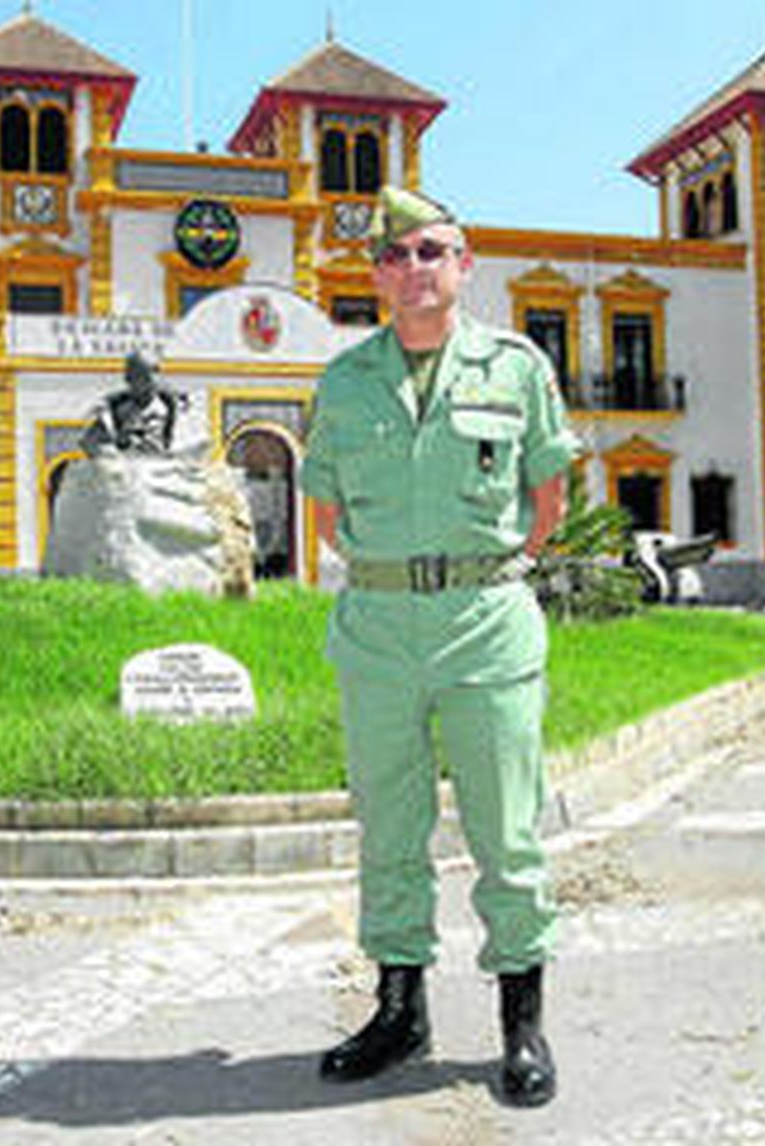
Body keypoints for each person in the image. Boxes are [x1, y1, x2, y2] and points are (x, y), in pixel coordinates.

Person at [299, 185, 575, 1107]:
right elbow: (328, 513)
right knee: (388, 828)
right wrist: (396, 573)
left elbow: (547, 503)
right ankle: (399, 1010)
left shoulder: (519, 368)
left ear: (463, 264)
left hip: (486, 625)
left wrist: (476, 574)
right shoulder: (342, 382)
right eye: (396, 254)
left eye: (433, 250)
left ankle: (520, 1023)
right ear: (374, 274)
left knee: (507, 828)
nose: (414, 268)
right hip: (378, 633)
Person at [80, 351, 180, 456]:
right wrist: (115, 453)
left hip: (161, 465)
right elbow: (88, 442)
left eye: (155, 371)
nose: (150, 379)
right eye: (141, 375)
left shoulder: (170, 403)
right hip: (128, 466)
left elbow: (181, 439)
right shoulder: (115, 407)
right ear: (128, 379)